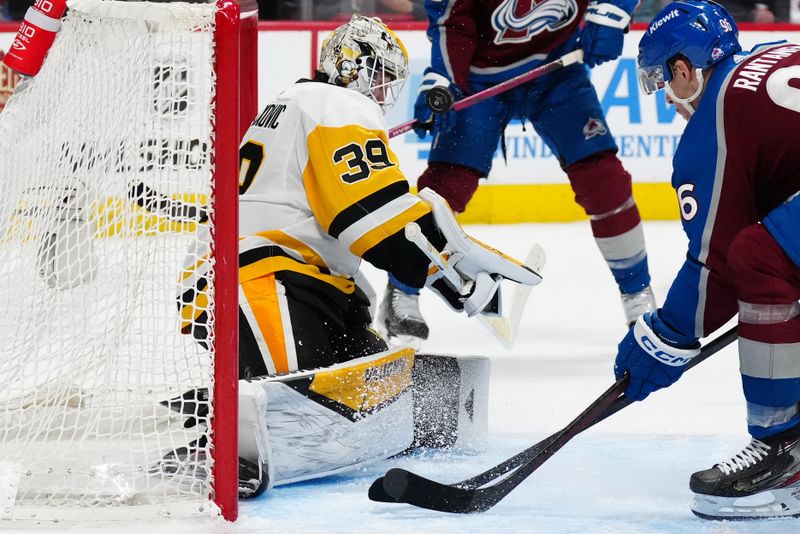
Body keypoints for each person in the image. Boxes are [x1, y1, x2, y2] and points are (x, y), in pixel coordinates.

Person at [176, 14, 541, 495]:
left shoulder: (303, 102)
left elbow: (353, 211)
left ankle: (215, 405)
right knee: (296, 408)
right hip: (254, 280)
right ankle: (214, 430)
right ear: (351, 66)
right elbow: (369, 215)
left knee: (373, 391)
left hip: (300, 281)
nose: (385, 92)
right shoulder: (333, 103)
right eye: (381, 75)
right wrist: (457, 280)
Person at [377, 0, 658, 344]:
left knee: (604, 182)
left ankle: (637, 295)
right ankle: (402, 292)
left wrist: (614, 9)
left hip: (558, 70)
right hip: (480, 79)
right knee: (445, 189)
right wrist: (443, 79)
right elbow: (453, 20)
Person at [615, 0, 800, 520]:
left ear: (684, 69)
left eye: (663, 82)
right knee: (785, 253)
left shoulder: (713, 121)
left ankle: (784, 454)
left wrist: (663, 339)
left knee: (759, 259)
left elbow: (716, 266)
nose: (668, 99)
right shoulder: (774, 56)